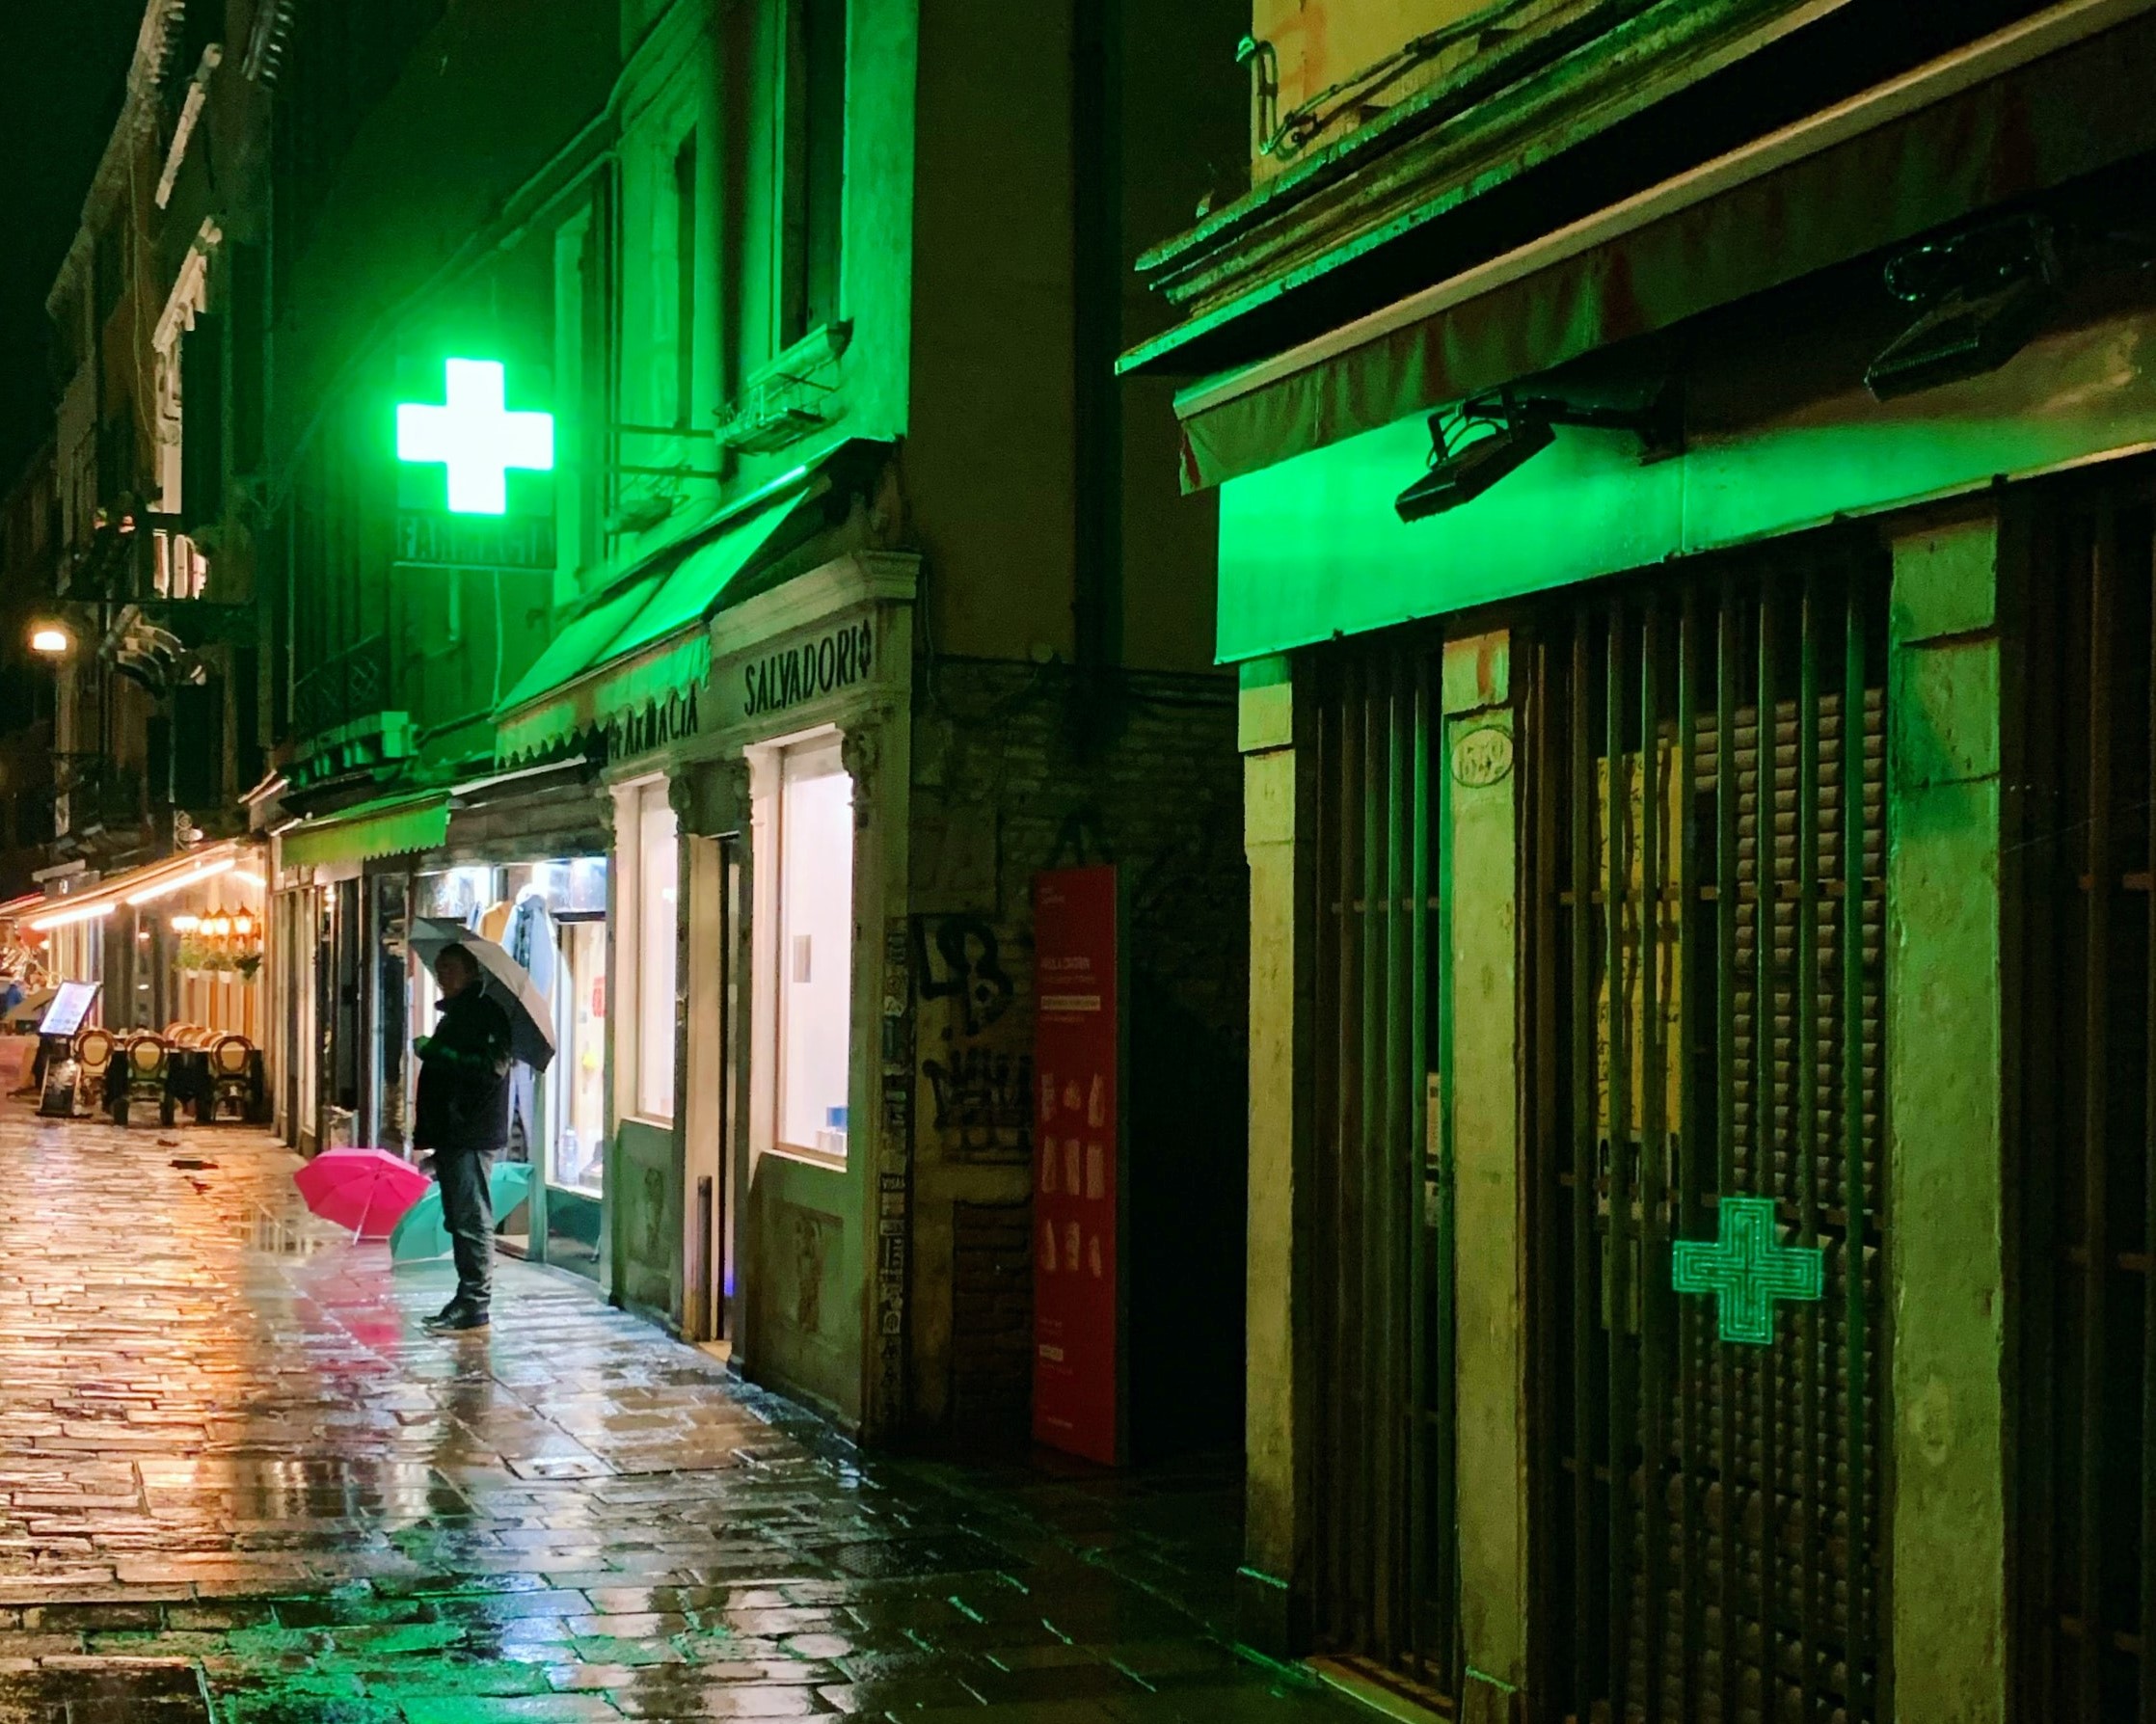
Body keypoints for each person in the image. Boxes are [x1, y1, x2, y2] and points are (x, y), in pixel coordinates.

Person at [412, 944, 512, 1332]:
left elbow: (490, 1068)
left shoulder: (484, 1015)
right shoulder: (459, 1014)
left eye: (451, 969)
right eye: (439, 969)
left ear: (471, 972)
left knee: (471, 1218)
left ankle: (474, 1302)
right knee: (460, 1217)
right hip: (455, 1134)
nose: (443, 976)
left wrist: (437, 1051)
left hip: (471, 1132)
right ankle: (465, 1297)